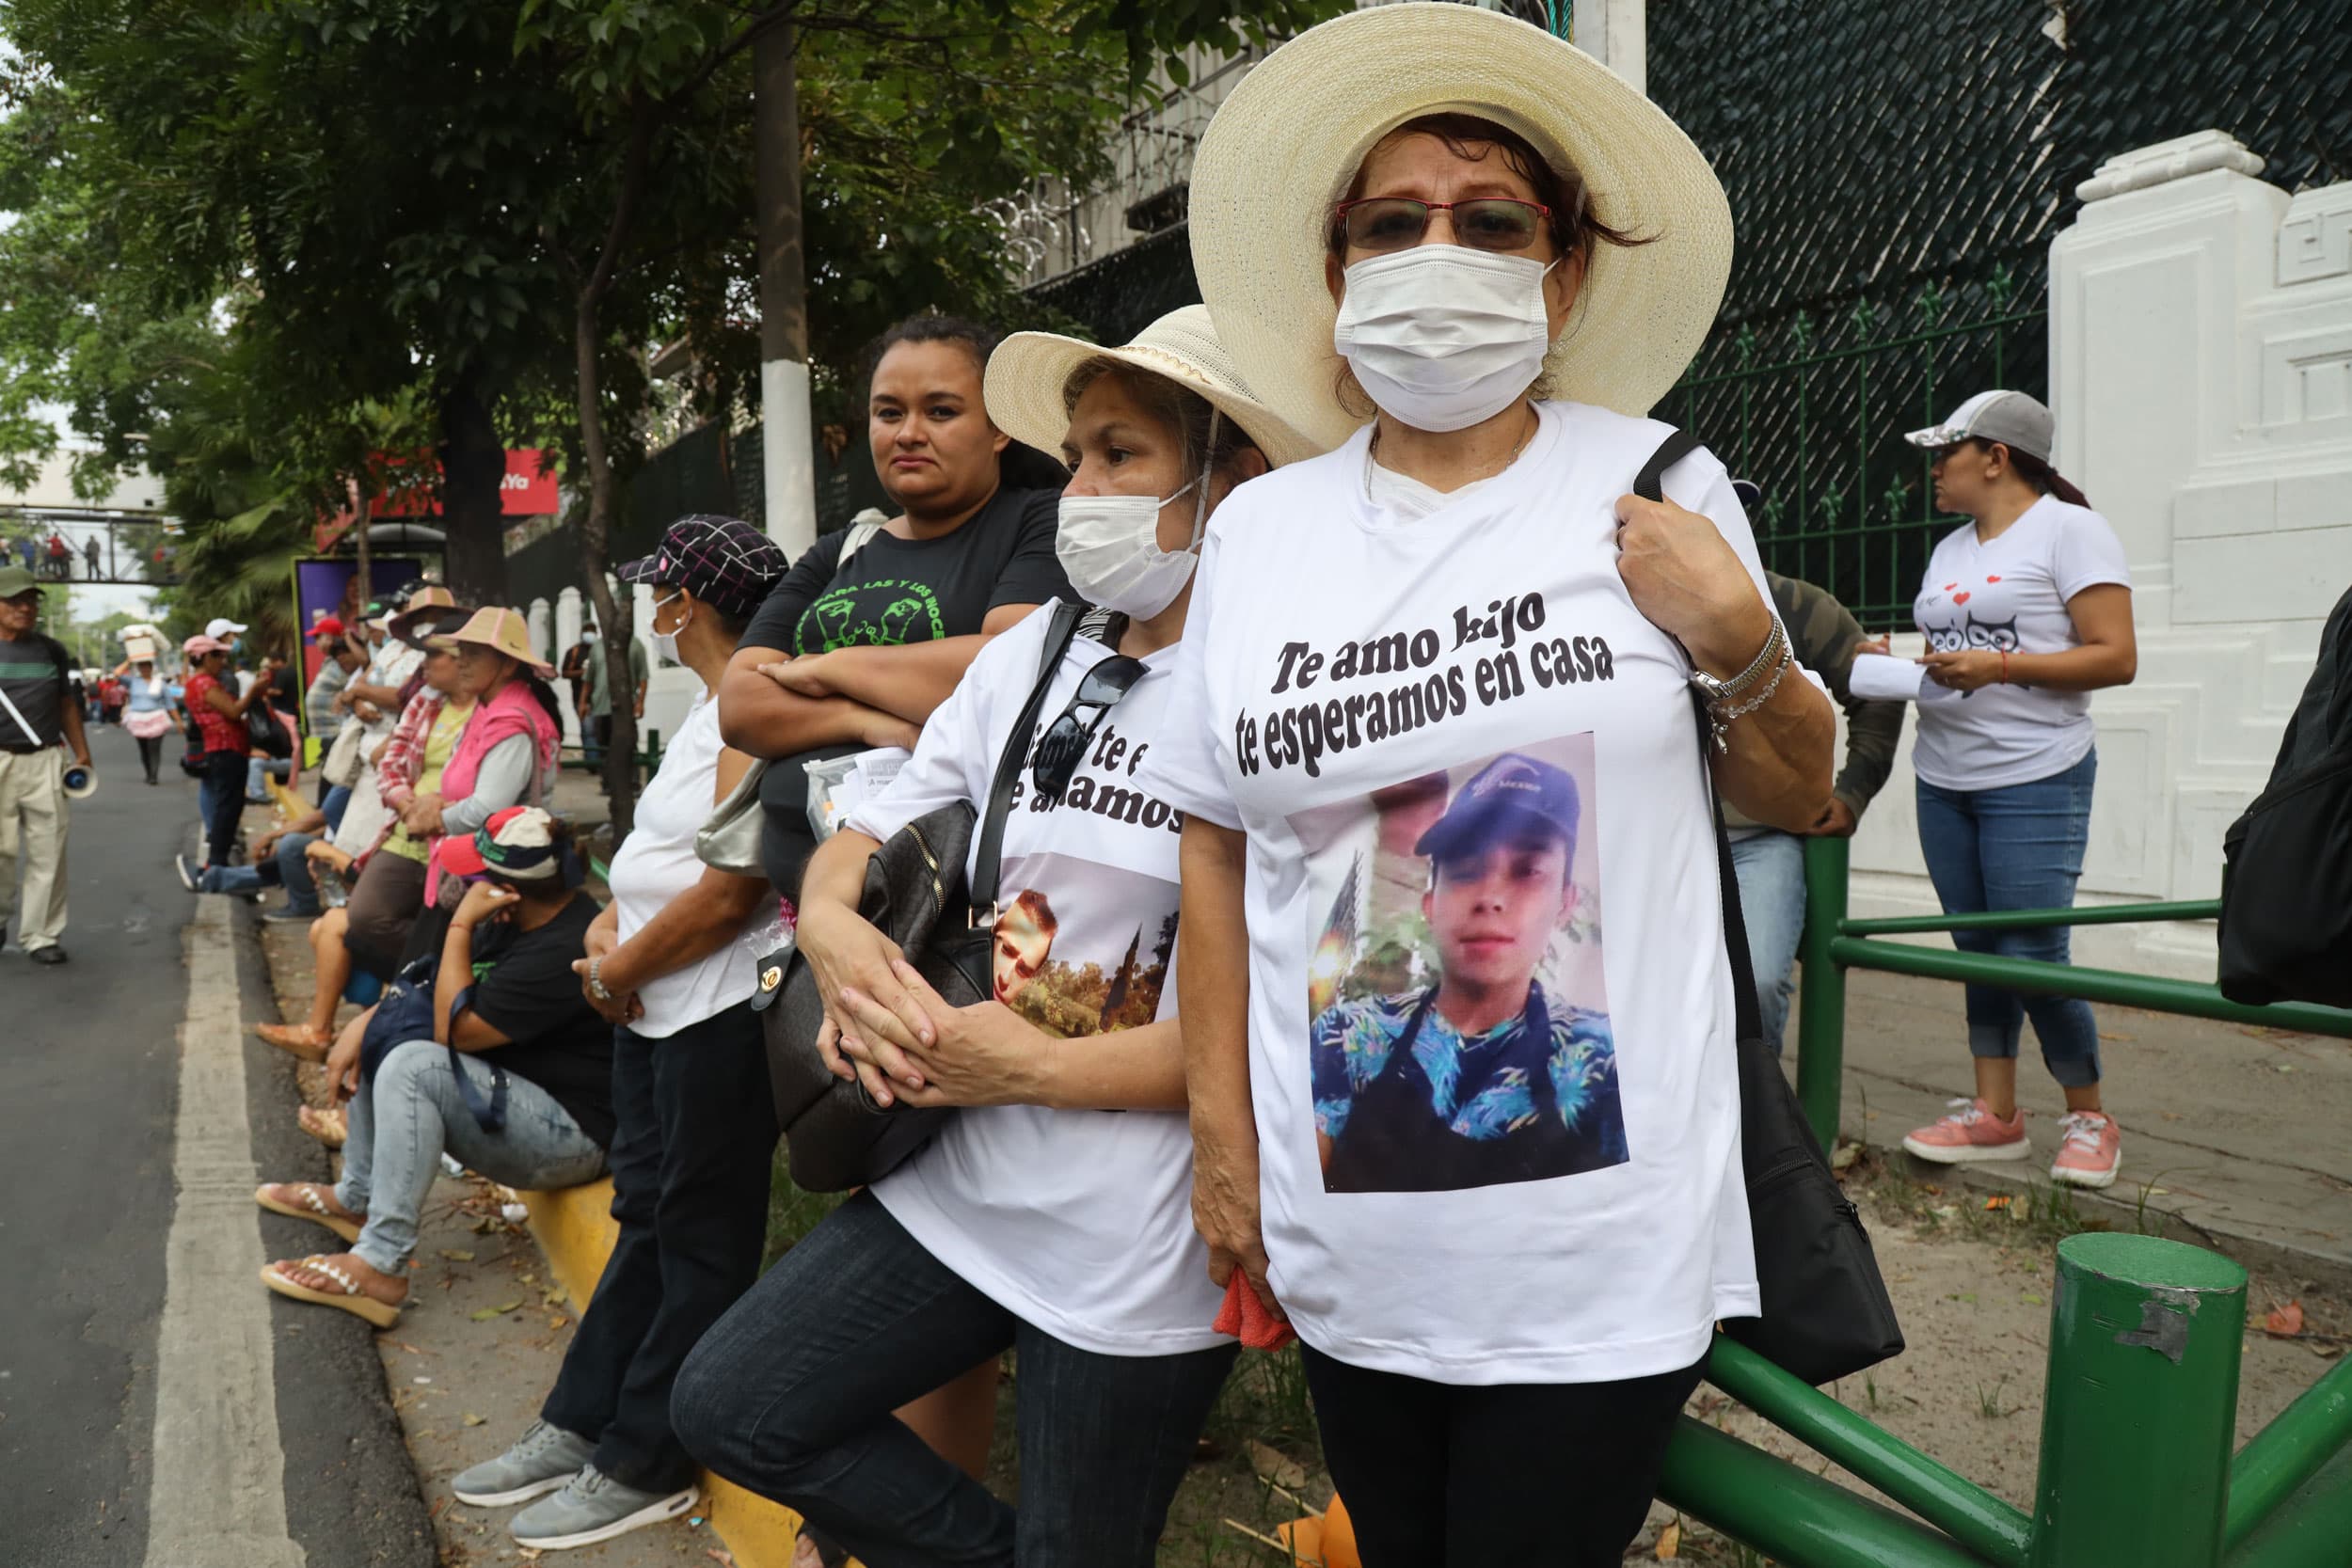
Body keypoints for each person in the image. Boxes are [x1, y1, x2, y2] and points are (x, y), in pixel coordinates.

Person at [1139, 10, 1836, 1562]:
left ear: (1562, 270)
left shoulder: (1654, 481)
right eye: (1393, 223)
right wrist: (1222, 1138)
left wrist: (1737, 644)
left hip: (1597, 1255)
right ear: (1337, 272)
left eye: (1488, 220)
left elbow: (1797, 792)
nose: (1436, 249)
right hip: (1343, 1246)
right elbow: (1211, 840)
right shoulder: (1259, 534)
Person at [675, 306, 1318, 1566]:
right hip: (961, 1178)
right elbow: (894, 799)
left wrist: (1019, 1064)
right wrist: (826, 916)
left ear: (1232, 481)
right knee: (734, 1402)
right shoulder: (1047, 647)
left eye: (1118, 456)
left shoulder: (1281, 687)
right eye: (1075, 454)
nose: (1077, 490)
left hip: (1140, 1245)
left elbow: (1266, 1024)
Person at [458, 518, 788, 1551]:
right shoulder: (705, 708)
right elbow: (654, 857)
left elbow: (732, 890)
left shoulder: (756, 707)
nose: (653, 608)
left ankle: (647, 1455)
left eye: (663, 592)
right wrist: (610, 924)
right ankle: (581, 1418)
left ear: (685, 603)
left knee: (695, 1237)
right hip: (654, 1008)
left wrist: (614, 969)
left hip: (714, 1011)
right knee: (648, 1217)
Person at [716, 313, 1077, 904]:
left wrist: (826, 668)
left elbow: (1009, 671)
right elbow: (740, 705)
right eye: (889, 413)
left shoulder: (1039, 521)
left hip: (949, 918)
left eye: (941, 411)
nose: (908, 433)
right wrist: (867, 721)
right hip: (806, 911)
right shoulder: (840, 552)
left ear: (998, 430)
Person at [1888, 390, 2137, 1189]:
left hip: (2035, 773)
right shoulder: (1952, 548)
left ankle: (2091, 1116)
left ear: (1995, 456)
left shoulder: (2071, 530)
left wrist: (2001, 667)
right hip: (1944, 774)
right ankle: (1996, 1116)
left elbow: (2115, 655)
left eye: (1947, 452)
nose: (1935, 467)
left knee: (2034, 951)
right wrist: (1891, 660)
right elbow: (1946, 646)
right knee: (1980, 950)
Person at [255, 809, 614, 1326]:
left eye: (477, 876)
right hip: (518, 1098)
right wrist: (365, 1024)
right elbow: (422, 993)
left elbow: (454, 1032)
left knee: (416, 1063)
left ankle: (381, 1263)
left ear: (507, 889)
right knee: (394, 1028)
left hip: (569, 1136)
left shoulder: (562, 946)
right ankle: (357, 1197)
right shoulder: (518, 918)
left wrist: (462, 925)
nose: (464, 883)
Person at [1311, 753, 1629, 1192]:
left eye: (1528, 871)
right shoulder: (1349, 1037)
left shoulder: (1604, 1059)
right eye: (1465, 870)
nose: (1490, 898)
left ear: (1565, 903)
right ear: (1430, 904)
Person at [1720, 481, 1908, 1051]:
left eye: (1728, 510)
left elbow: (1877, 686)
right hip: (1659, 835)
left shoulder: (1794, 605)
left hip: (1761, 837)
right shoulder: (1624, 606)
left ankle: (1764, 1126)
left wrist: (1852, 791)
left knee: (1758, 979)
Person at [0, 565, 94, 965]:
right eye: (15, 601)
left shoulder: (51, 650)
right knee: (0, 851)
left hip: (45, 760)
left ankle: (41, 935)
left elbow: (66, 703)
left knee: (49, 850)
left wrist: (82, 752)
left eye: (31, 601)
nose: (25, 608)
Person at [181, 632, 271, 889]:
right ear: (204, 657)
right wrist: (253, 689)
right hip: (225, 749)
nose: (222, 661)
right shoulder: (204, 684)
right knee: (227, 808)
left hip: (227, 749)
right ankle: (216, 865)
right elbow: (233, 711)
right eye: (218, 656)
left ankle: (217, 864)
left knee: (228, 806)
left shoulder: (200, 682)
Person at [579, 624, 646, 778]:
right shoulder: (597, 647)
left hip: (626, 707)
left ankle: (632, 782)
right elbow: (588, 679)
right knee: (603, 745)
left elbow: (643, 677)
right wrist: (583, 702)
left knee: (628, 744)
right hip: (601, 707)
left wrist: (640, 702)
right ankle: (608, 782)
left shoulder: (635, 645)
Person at [119, 655, 181, 785]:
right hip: (138, 719)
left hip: (156, 717)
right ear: (139, 668)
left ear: (151, 668)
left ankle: (154, 775)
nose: (145, 669)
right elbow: (117, 674)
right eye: (142, 667)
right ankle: (148, 772)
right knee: (144, 748)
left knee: (154, 748)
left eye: (147, 666)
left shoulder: (160, 683)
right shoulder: (134, 681)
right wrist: (129, 660)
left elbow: (170, 703)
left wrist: (179, 721)